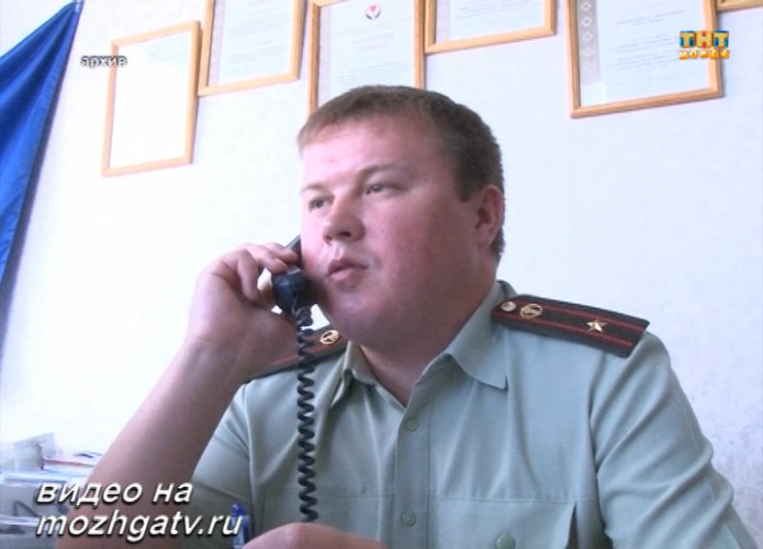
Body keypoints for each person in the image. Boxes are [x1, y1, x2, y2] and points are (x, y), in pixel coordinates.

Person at [58, 86, 755, 549]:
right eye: (316, 201)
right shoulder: (264, 388)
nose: (334, 224)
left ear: (482, 216)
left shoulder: (605, 377)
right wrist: (210, 355)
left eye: (378, 187)